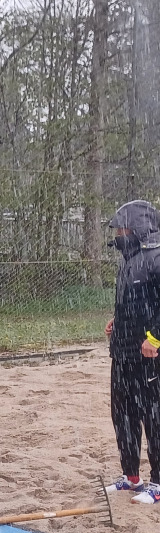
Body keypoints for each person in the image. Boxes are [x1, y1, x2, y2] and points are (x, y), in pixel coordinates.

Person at [104, 199, 160, 504]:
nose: (118, 234)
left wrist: (155, 338)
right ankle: (131, 476)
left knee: (154, 416)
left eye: (122, 228)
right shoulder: (129, 260)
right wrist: (118, 320)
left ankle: (159, 483)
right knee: (123, 413)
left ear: (138, 228)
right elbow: (134, 299)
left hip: (149, 356)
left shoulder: (156, 258)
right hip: (123, 351)